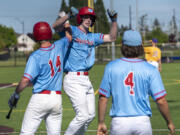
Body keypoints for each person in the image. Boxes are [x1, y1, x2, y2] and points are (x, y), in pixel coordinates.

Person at [53, 6, 117, 135]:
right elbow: (55, 26)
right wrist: (68, 15)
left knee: (90, 116)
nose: (88, 19)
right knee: (82, 115)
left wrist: (114, 21)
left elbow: (112, 37)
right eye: (85, 17)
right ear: (80, 18)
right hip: (73, 78)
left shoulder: (93, 37)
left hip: (86, 79)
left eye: (91, 18)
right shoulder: (73, 31)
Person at [97, 30, 175, 135]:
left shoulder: (111, 67)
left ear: (123, 45)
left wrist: (101, 122)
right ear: (140, 46)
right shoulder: (150, 69)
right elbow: (161, 100)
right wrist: (169, 122)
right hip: (142, 122)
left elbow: (103, 98)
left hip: (119, 123)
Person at [8, 21, 71, 135]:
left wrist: (15, 94)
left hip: (40, 99)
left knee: (26, 133)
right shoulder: (60, 45)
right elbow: (69, 36)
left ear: (36, 35)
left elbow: (25, 80)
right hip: (56, 99)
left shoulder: (35, 56)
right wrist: (66, 23)